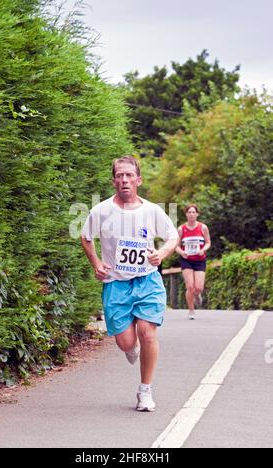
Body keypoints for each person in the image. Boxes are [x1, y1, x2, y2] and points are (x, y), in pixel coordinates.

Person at [81, 156, 178, 412]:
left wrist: (162, 254)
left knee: (147, 332)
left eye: (129, 175)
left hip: (147, 281)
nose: (124, 180)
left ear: (138, 180)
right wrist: (96, 264)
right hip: (116, 284)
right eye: (119, 176)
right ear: (114, 180)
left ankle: (145, 391)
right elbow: (85, 237)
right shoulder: (100, 211)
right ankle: (130, 346)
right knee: (125, 342)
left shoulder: (151, 211)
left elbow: (172, 236)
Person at [175, 204, 211, 320]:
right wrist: (182, 252)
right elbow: (176, 246)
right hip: (187, 260)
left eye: (193, 212)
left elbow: (208, 243)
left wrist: (203, 250)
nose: (191, 214)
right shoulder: (181, 229)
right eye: (189, 212)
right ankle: (191, 310)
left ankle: (197, 294)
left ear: (197, 214)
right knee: (190, 286)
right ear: (186, 214)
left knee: (198, 287)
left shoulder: (203, 227)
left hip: (200, 260)